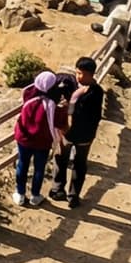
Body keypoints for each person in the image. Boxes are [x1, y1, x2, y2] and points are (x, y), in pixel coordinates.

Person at [50, 56, 104, 207]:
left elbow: (96, 116)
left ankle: (73, 195)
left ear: (92, 74)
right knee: (61, 158)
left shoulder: (96, 93)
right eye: (78, 73)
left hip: (83, 135)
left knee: (79, 165)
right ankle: (57, 189)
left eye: (83, 74)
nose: (79, 77)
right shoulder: (73, 86)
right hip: (69, 133)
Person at [12, 69, 63, 208]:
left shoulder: (29, 98)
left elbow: (28, 89)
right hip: (43, 143)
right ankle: (35, 195)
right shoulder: (53, 106)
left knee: (22, 164)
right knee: (39, 169)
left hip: (24, 140)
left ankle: (20, 194)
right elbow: (58, 123)